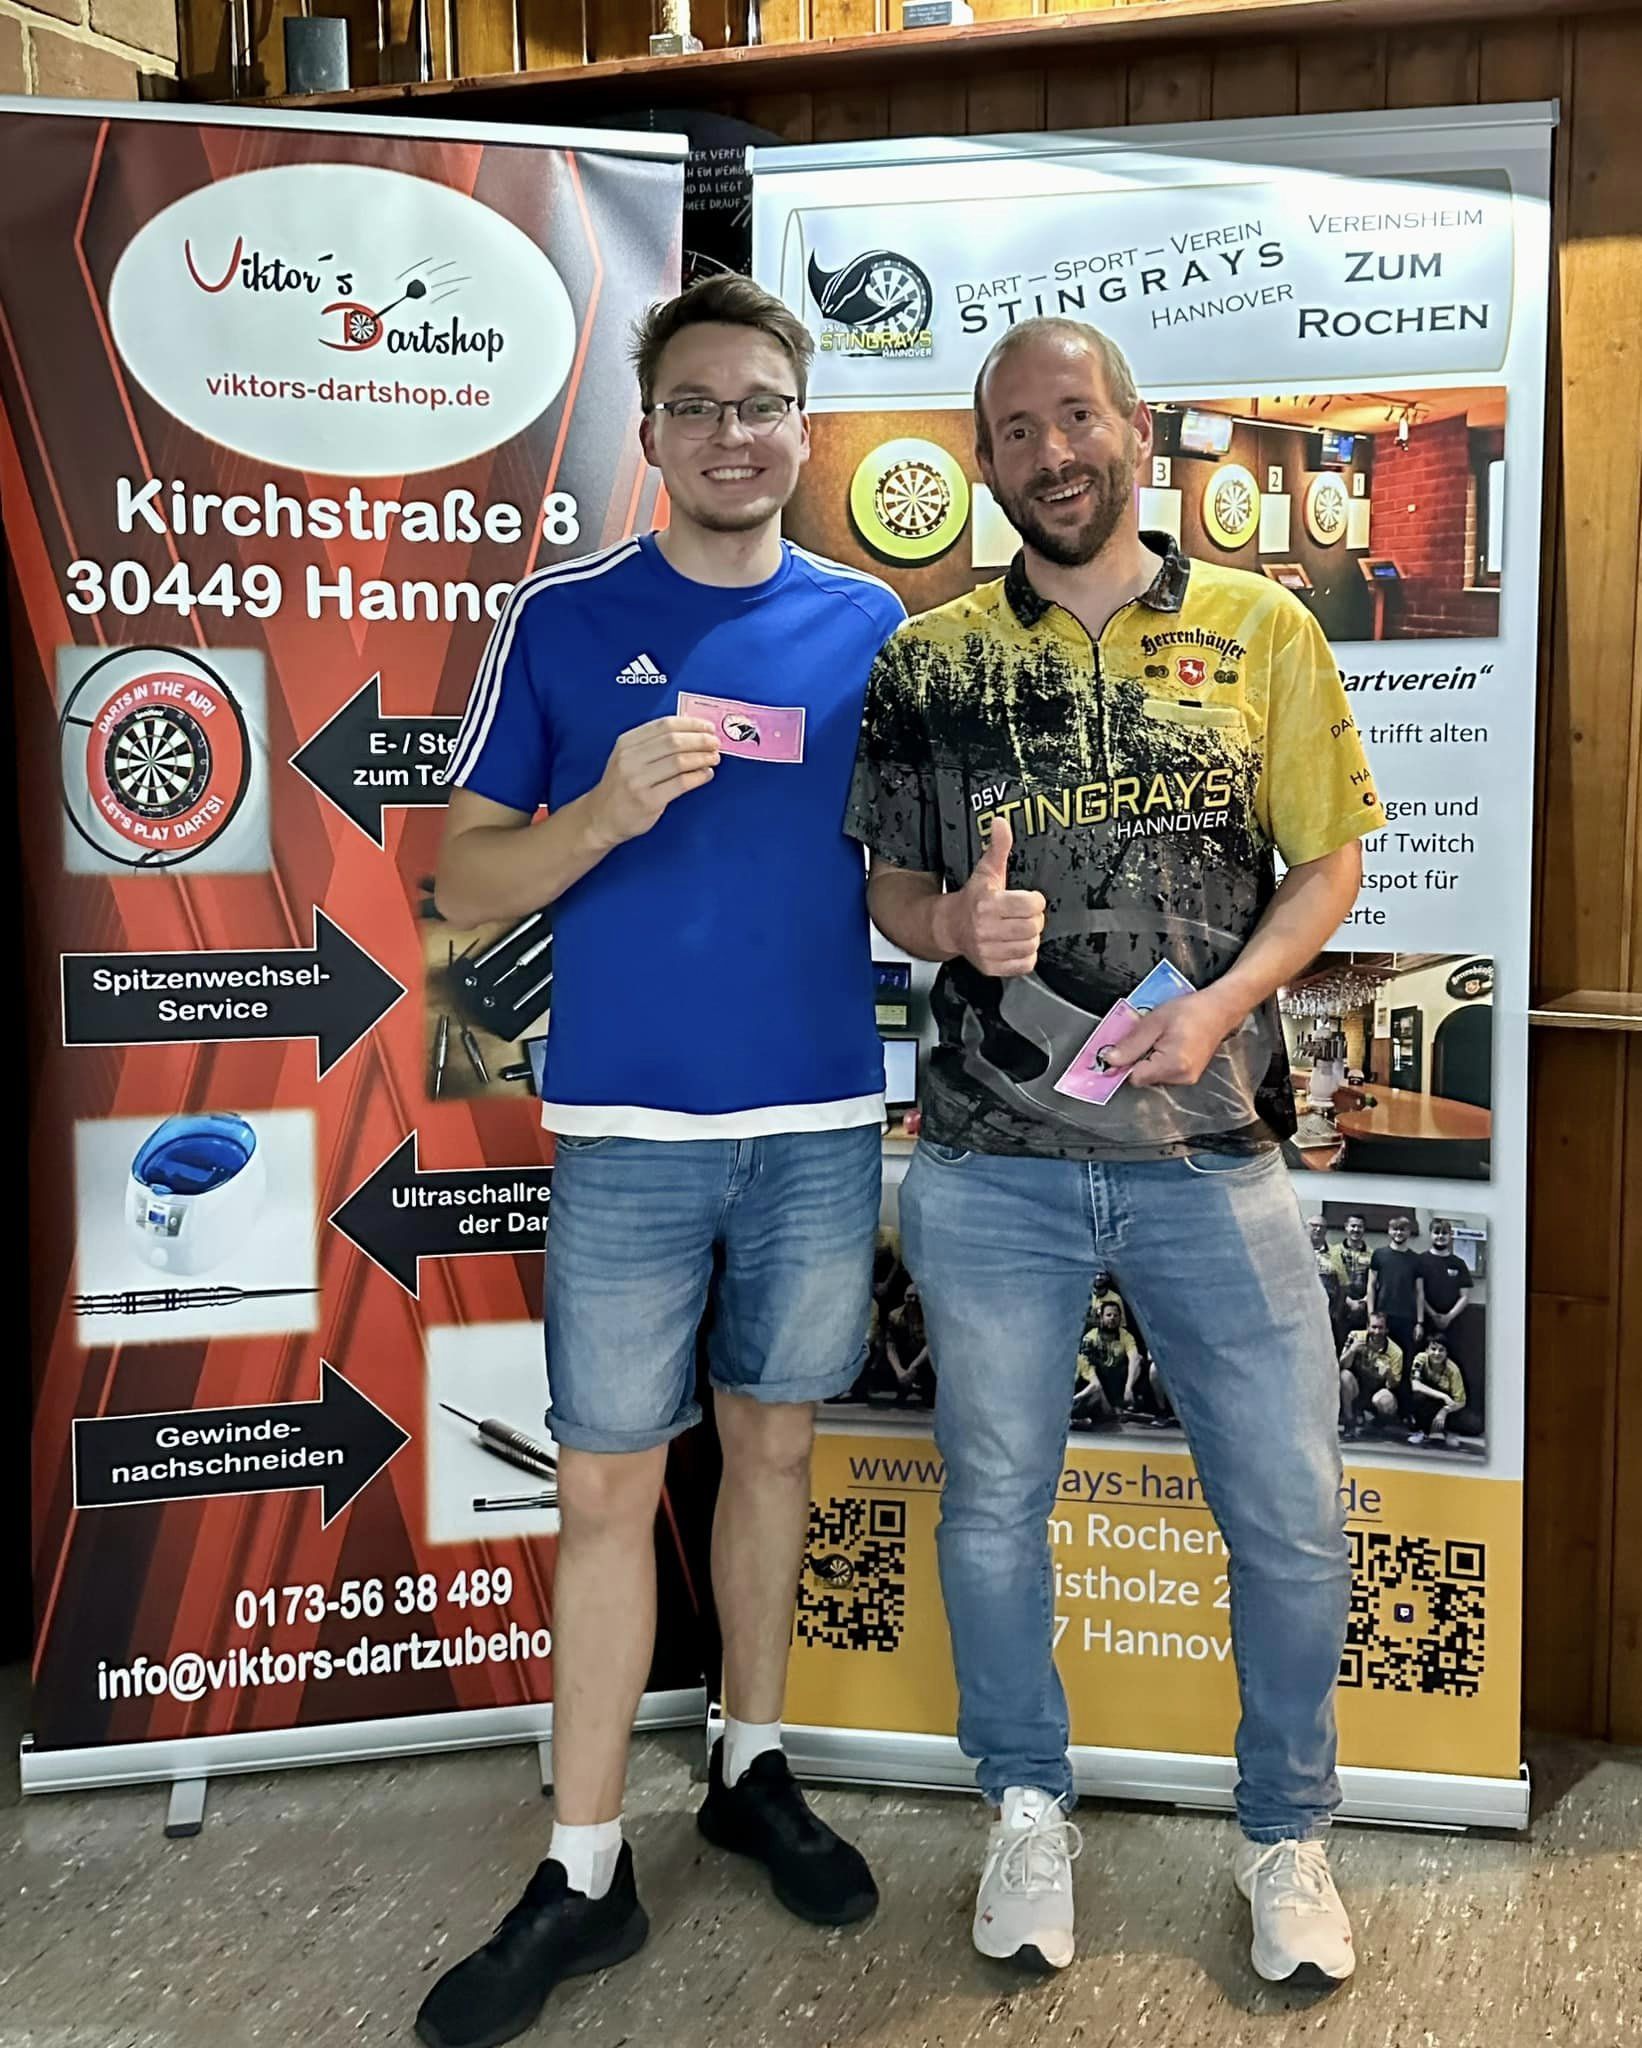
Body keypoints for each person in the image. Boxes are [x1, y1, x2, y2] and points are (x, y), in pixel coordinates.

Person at [849, 315, 1383, 1991]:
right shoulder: (930, 658)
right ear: (985, 462)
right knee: (994, 1507)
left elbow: (1328, 863)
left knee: (1288, 1513)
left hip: (1209, 1151)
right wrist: (956, 924)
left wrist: (1220, 1004)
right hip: (986, 1161)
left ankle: (1285, 1833)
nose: (1051, 453)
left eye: (1076, 417)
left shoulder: (1263, 626)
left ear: (1136, 432)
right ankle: (1024, 1804)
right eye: (1016, 431)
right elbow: (889, 889)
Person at [415, 276, 904, 2048]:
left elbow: (901, 876)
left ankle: (749, 1768)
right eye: (694, 405)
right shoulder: (563, 619)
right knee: (609, 1491)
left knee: (771, 1449)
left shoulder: (871, 622)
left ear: (802, 428)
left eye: (759, 402)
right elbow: (462, 880)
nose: (728, 433)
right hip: (625, 1133)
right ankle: (583, 1861)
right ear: (650, 435)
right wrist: (604, 810)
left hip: (816, 1122)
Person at [1368, 1215, 1421, 1426]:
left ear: (1409, 1232)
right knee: (1379, 1365)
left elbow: (1420, 1292)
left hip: (1406, 1319)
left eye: (1403, 1230)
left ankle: (1405, 1414)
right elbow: (1371, 1286)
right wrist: (1371, 1315)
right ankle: (1378, 1413)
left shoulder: (1415, 1260)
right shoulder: (1379, 1255)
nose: (1399, 1233)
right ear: (1389, 1231)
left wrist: (1419, 1322)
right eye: (1395, 1229)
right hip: (1383, 1318)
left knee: (1405, 1366)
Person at [1072, 1298, 1143, 1426]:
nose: (1112, 1318)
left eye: (1116, 1315)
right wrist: (1105, 1402)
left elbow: (1134, 1358)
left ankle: (1124, 1404)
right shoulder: (1090, 1337)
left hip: (1118, 1381)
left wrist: (1129, 1388)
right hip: (1096, 1381)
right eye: (1108, 1315)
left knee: (1137, 1363)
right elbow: (1089, 1371)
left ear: (1120, 1318)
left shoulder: (1125, 1335)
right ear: (1101, 1318)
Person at [1417, 1218, 1475, 1371]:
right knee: (1425, 1362)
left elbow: (1465, 1296)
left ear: (1450, 1235)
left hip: (1453, 1324)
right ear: (1430, 1234)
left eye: (1444, 1233)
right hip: (1427, 1321)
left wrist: (1449, 1317)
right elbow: (1418, 1292)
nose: (1440, 1236)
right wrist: (1433, 1315)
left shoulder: (1458, 1263)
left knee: (1452, 1364)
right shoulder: (1420, 1261)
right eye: (1436, 1232)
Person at [1339, 1314, 1405, 1437]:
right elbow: (1342, 1365)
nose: (1377, 1332)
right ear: (1367, 1327)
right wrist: (1352, 1350)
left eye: (1381, 1328)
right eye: (1374, 1327)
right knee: (1344, 1376)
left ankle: (1375, 1424)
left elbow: (1393, 1385)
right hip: (1357, 1388)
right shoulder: (1355, 1336)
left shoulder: (1396, 1352)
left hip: (1377, 1392)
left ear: (1386, 1329)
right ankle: (1349, 1421)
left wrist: (1389, 1373)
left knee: (1387, 1402)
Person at [1407, 1336, 1470, 1445]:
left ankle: (1445, 1431)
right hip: (1428, 1400)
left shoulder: (1453, 1370)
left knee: (1471, 1424)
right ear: (1427, 1350)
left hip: (1445, 1406)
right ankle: (1421, 1431)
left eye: (1441, 1350)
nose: (1437, 1353)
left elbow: (1461, 1401)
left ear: (1446, 1353)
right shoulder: (1420, 1359)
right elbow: (1415, 1385)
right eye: (1433, 1349)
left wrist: (1444, 1411)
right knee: (1417, 1396)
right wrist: (1443, 1396)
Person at [1309, 1217, 1348, 1349]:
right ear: (1306, 1227)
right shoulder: (1295, 1251)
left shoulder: (1335, 1253)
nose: (1318, 1229)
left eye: (1322, 1227)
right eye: (1314, 1225)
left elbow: (1343, 1284)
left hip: (1327, 1314)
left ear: (1326, 1230)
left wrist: (1337, 1311)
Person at [1338, 1214, 1373, 1337]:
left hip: (1363, 1308)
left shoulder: (1372, 1254)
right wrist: (1348, 1301)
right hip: (1340, 1307)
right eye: (1353, 1226)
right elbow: (1333, 1280)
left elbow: (1375, 1281)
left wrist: (1364, 1301)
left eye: (1360, 1227)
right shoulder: (1335, 1252)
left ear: (1364, 1229)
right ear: (1346, 1227)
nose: (1356, 1230)